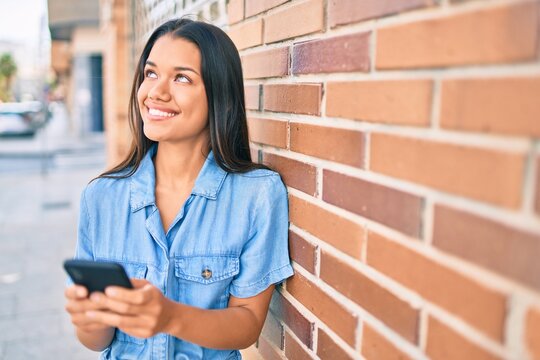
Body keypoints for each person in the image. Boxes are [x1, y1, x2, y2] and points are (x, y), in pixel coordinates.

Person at [64, 17, 294, 359]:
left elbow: (247, 326)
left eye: (182, 77)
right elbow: (97, 341)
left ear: (220, 95)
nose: (156, 92)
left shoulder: (257, 195)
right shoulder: (101, 197)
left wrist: (171, 317)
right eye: (151, 73)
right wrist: (88, 318)